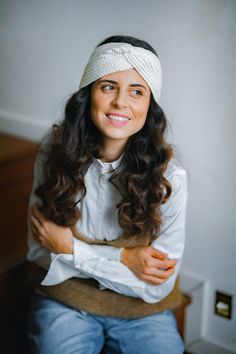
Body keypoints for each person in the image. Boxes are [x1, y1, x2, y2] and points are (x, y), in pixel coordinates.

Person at [27, 35, 188, 354]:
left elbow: (157, 287)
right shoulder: (53, 154)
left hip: (142, 313)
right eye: (109, 86)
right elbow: (38, 250)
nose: (120, 103)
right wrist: (126, 258)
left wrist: (71, 249)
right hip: (66, 301)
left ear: (149, 105)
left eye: (137, 91)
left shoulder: (171, 177)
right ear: (89, 95)